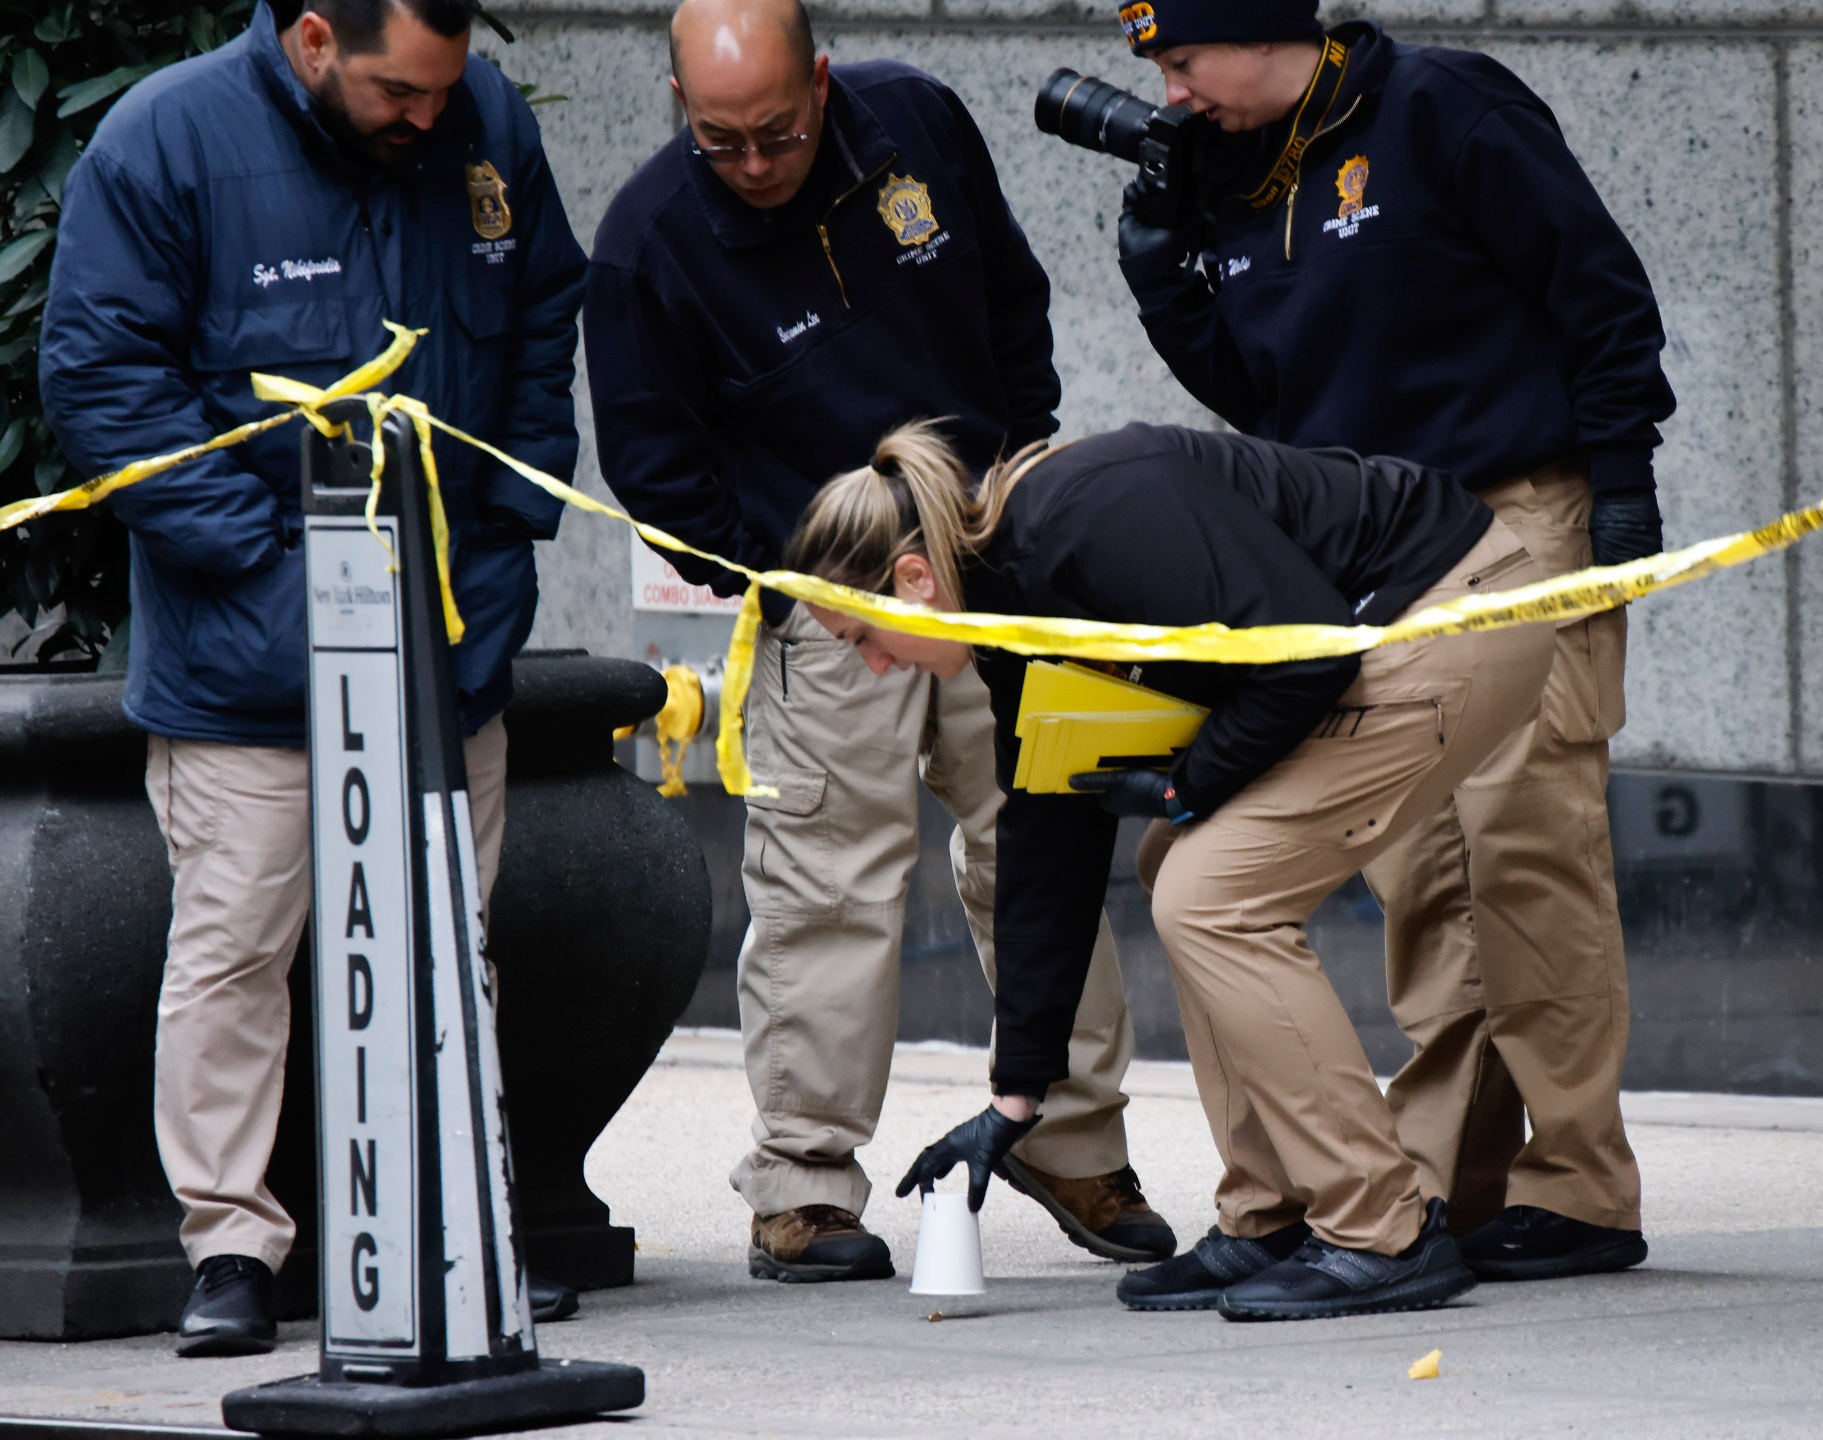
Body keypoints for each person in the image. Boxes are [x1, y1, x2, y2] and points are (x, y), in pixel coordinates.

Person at [583, 0, 1172, 1281]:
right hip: (824, 605)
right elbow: (657, 475)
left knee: (1043, 842)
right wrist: (805, 576)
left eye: (778, 134)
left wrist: (1017, 481)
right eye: (719, 138)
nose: (752, 162)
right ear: (679, 101)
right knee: (824, 890)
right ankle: (802, 1183)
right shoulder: (647, 245)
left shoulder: (919, 123)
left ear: (826, 82)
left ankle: (1074, 1140)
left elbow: (1014, 300)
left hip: (987, 563)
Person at [37, 0, 587, 1356]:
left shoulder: (484, 118)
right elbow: (101, 377)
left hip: (450, 643)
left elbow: (537, 325)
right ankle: (232, 1247)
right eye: (399, 90)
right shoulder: (167, 137)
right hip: (250, 662)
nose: (427, 117)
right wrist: (277, 570)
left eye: (444, 91)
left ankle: (450, 1232)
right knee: (238, 957)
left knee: (447, 949)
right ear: (313, 39)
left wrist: (510, 545)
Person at [1107, 0, 1674, 1281]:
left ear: (1255, 27)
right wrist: (1164, 277)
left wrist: (1621, 471)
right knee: (1420, 872)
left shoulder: (1440, 106)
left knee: (1527, 848)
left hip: (1519, 505)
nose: (1175, 95)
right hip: (1379, 544)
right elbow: (1265, 396)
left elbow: (1596, 284)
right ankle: (1451, 1193)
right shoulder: (1240, 169)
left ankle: (1580, 1186)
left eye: (1183, 63)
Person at [786, 419, 1556, 1321]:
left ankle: (1379, 1227)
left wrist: (1190, 784)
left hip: (1451, 604)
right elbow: (1047, 827)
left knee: (1213, 893)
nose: (875, 667)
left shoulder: (1087, 518)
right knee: (1178, 870)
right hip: (1386, 622)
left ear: (913, 582)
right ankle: (1266, 1217)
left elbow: (1305, 644)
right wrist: (1017, 1096)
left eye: (864, 639)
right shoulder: (1007, 604)